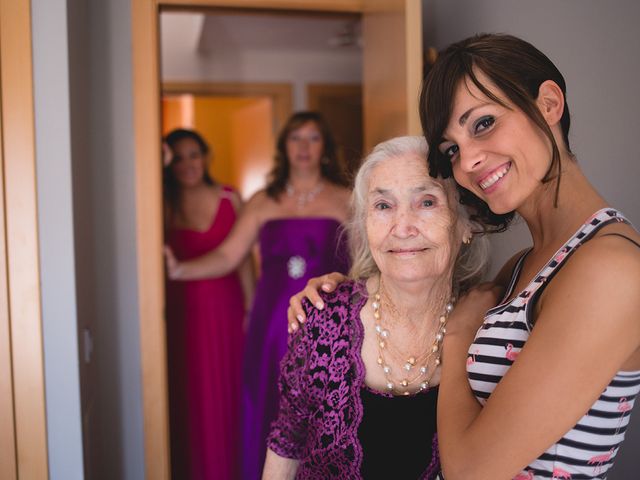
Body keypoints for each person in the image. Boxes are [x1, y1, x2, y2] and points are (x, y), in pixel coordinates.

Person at [289, 34, 640, 479]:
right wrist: (346, 294)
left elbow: (471, 471)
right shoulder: (525, 265)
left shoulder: (610, 269)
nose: (469, 159)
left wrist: (457, 339)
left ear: (549, 104)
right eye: (452, 149)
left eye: (483, 123)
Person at [262, 136, 488, 479]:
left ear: (465, 223)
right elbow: (287, 442)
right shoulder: (323, 317)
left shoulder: (491, 330)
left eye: (426, 201)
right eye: (383, 206)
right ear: (366, 224)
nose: (402, 227)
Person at [164, 111, 352, 480]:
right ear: (284, 146)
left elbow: (362, 266)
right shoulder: (261, 201)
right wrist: (179, 270)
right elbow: (227, 256)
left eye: (313, 138)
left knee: (325, 407)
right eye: (295, 137)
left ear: (325, 147)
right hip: (270, 324)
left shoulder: (346, 198)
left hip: (327, 320)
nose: (303, 146)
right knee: (269, 403)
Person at [163, 128, 255, 480]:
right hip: (180, 312)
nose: (188, 164)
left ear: (206, 156)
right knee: (187, 395)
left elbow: (245, 258)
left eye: (194, 154)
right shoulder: (162, 203)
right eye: (179, 157)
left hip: (226, 309)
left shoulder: (231, 198)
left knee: (227, 394)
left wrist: (250, 306)